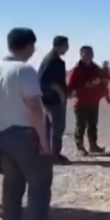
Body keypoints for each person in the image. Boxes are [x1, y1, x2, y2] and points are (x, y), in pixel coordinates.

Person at [0, 27, 60, 220]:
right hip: (26, 133)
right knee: (39, 184)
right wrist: (44, 141)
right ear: (29, 45)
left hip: (2, 133)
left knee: (12, 185)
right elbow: (35, 107)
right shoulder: (24, 70)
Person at [66, 46, 107, 155]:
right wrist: (84, 86)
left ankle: (93, 145)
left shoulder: (95, 68)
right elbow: (70, 86)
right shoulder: (76, 70)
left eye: (90, 53)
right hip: (81, 102)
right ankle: (80, 147)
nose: (88, 55)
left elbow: (103, 79)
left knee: (93, 124)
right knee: (81, 125)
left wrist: (104, 72)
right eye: (86, 53)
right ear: (81, 55)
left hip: (93, 101)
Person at [38, 35, 70, 164]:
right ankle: (54, 155)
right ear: (58, 46)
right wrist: (61, 94)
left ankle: (48, 153)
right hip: (53, 99)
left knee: (49, 127)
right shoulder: (53, 61)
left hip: (48, 98)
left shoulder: (50, 59)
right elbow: (48, 80)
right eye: (65, 45)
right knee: (57, 126)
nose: (67, 48)